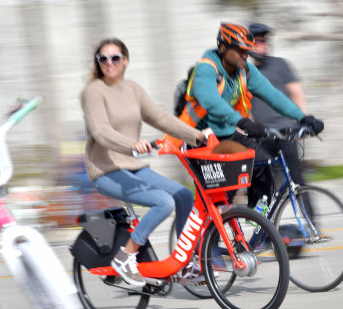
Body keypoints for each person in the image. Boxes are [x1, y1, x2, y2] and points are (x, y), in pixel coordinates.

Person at [81, 38, 209, 287]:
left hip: (133, 166)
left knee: (183, 194)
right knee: (163, 202)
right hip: (106, 170)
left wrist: (196, 135)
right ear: (98, 63)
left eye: (115, 58)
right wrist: (130, 144)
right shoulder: (93, 92)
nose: (109, 63)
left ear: (125, 60)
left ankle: (183, 263)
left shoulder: (134, 89)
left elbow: (160, 118)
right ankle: (125, 257)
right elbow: (101, 131)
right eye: (103, 59)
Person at [188, 23, 324, 206]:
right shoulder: (207, 69)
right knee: (224, 191)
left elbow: (273, 96)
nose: (245, 55)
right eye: (240, 50)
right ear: (223, 48)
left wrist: (302, 117)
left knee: (263, 162)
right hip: (200, 138)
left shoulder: (245, 70)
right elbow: (211, 101)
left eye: (247, 50)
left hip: (226, 134)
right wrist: (242, 122)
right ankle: (211, 228)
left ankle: (259, 222)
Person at [248, 22, 309, 191]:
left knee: (297, 179)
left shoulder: (280, 64)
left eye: (265, 42)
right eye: (258, 42)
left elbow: (297, 92)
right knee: (262, 184)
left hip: (286, 133)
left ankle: (310, 217)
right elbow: (245, 107)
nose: (263, 46)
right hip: (262, 137)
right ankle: (261, 217)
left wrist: (303, 120)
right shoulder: (245, 71)